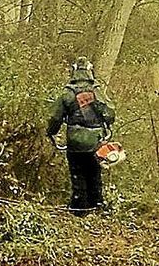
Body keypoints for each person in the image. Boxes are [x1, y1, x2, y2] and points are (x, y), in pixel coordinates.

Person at [46, 57, 116, 215]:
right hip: (97, 141)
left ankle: (79, 208)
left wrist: (51, 132)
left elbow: (55, 118)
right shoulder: (96, 90)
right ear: (90, 71)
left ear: (73, 71)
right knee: (94, 173)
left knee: (78, 174)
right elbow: (110, 113)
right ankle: (97, 204)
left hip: (75, 141)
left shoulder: (68, 93)